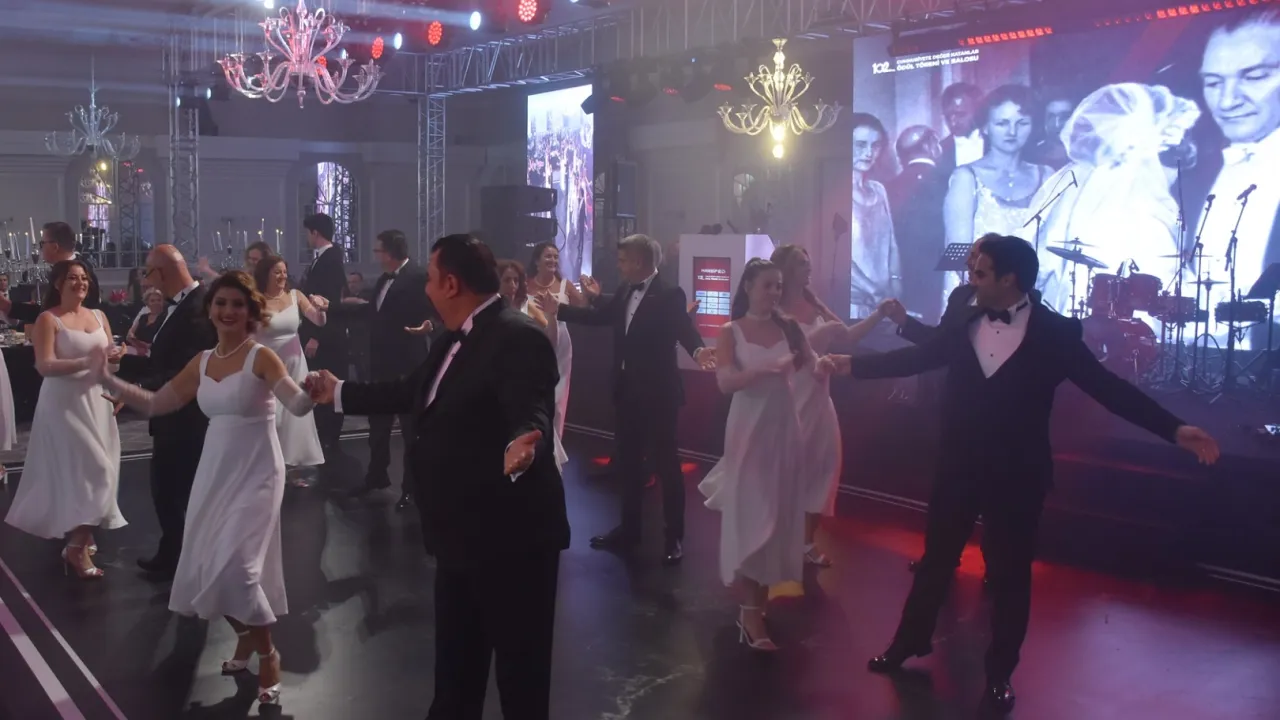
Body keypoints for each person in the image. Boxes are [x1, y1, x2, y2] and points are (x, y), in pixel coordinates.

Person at [819, 235, 1220, 713]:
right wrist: (854, 366)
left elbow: (1107, 388)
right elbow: (919, 357)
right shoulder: (965, 315)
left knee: (1010, 577)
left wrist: (1173, 428)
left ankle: (999, 675)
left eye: (980, 272)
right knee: (935, 561)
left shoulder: (1055, 333)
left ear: (1009, 279)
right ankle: (908, 641)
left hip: (1018, 474)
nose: (971, 278)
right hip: (959, 465)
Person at [308, 234, 569, 720]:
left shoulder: (518, 335)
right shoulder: (454, 337)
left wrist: (523, 441)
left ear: (451, 284)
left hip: (512, 539)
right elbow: (410, 390)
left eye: (429, 278)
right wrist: (339, 392)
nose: (425, 288)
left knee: (521, 679)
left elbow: (531, 406)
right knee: (455, 674)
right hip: (460, 534)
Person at [96, 271, 315, 708]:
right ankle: (246, 638)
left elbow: (297, 404)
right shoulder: (201, 361)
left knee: (242, 571)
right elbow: (157, 403)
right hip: (214, 470)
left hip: (258, 471)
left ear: (250, 312)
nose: (228, 311)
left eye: (237, 304)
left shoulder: (261, 357)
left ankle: (268, 654)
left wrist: (316, 390)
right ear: (210, 310)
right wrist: (108, 380)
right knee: (206, 566)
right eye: (221, 303)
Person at [547, 234, 715, 566]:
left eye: (623, 260)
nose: (619, 265)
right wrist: (562, 309)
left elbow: (683, 328)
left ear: (639, 261)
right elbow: (604, 316)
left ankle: (674, 536)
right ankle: (629, 531)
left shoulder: (669, 294)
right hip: (627, 392)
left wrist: (698, 350)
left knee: (667, 466)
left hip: (659, 394)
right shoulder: (626, 289)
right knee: (628, 464)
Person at [698, 259, 814, 651]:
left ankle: (756, 605)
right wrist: (766, 371)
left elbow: (814, 364)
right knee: (753, 514)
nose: (775, 292)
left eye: (779, 286)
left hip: (784, 429)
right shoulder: (730, 331)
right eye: (768, 285)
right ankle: (749, 612)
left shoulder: (789, 328)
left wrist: (831, 360)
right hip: (748, 430)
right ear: (748, 286)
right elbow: (726, 382)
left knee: (777, 515)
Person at [5, 259, 124, 578]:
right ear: (58, 284)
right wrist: (89, 360)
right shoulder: (48, 319)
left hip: (97, 401)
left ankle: (80, 536)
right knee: (97, 471)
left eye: (84, 277)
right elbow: (45, 366)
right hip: (64, 404)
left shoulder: (99, 316)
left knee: (99, 470)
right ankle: (76, 546)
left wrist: (115, 363)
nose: (80, 283)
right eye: (73, 277)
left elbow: (109, 363)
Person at [772, 244, 885, 566]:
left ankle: (807, 542)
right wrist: (816, 341)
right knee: (784, 472)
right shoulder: (773, 309)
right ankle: (776, 539)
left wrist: (879, 314)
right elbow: (778, 356)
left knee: (824, 469)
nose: (809, 268)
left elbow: (848, 336)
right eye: (801, 264)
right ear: (786, 270)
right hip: (789, 396)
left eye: (808, 262)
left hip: (819, 398)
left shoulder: (815, 303)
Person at [116, 245, 216, 578]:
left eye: (148, 273)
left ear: (162, 272)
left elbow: (185, 368)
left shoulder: (199, 306)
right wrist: (125, 364)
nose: (145, 280)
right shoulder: (180, 305)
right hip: (172, 414)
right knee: (167, 490)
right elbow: (163, 360)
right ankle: (175, 554)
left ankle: (184, 561)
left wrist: (137, 388)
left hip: (187, 417)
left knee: (175, 491)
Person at [340, 230, 436, 507]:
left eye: (378, 251)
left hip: (408, 366)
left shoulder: (418, 276)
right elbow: (373, 313)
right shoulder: (384, 279)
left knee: (409, 430)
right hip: (381, 365)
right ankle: (376, 476)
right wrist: (333, 308)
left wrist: (429, 325)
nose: (376, 256)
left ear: (391, 252)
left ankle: (411, 488)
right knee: (378, 427)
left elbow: (435, 310)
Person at [943, 85, 1053, 312]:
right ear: (985, 127)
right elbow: (957, 256)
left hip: (1033, 297)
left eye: (1022, 123)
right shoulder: (966, 177)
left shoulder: (1047, 176)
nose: (1012, 131)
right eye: (1002, 123)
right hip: (977, 300)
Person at [254, 255, 328, 484]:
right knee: (271, 415)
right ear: (266, 274)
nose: (282, 276)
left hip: (295, 364)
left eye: (284, 272)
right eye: (277, 272)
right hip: (268, 366)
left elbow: (319, 321)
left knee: (295, 415)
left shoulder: (296, 295)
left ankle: (293, 464)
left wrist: (321, 308)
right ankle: (267, 465)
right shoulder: (255, 300)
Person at [500, 259, 568, 470]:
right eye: (507, 280)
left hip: (525, 380)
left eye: (516, 280)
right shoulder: (489, 310)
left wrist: (551, 315)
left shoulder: (526, 306)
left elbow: (550, 339)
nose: (512, 286)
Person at [526, 242, 586, 466]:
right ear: (537, 261)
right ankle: (535, 447)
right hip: (532, 343)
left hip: (560, 346)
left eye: (555, 257)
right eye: (548, 256)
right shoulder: (526, 284)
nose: (552, 260)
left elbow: (583, 309)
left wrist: (589, 295)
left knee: (557, 401)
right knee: (535, 397)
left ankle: (553, 453)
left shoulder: (565, 285)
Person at [299, 213, 349, 463]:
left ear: (315, 233)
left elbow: (326, 301)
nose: (306, 238)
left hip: (326, 337)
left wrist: (317, 336)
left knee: (326, 384)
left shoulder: (330, 260)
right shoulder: (323, 258)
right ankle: (323, 438)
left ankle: (329, 441)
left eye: (307, 233)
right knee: (318, 383)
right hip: (320, 333)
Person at [848, 113, 900, 319]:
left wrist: (896, 286)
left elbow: (892, 245)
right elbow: (838, 255)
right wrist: (873, 291)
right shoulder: (835, 192)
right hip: (852, 304)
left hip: (883, 304)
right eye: (860, 145)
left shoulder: (879, 190)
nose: (869, 153)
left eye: (875, 146)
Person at [0, 222, 102, 323]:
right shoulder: (64, 268)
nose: (40, 249)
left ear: (55, 247)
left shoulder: (76, 272)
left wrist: (8, 306)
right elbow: (51, 310)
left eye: (42, 243)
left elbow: (57, 316)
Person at [197, 241, 273, 283]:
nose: (251, 262)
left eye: (255, 259)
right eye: (249, 258)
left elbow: (232, 282)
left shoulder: (269, 278)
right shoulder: (247, 274)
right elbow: (230, 281)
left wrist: (208, 271)